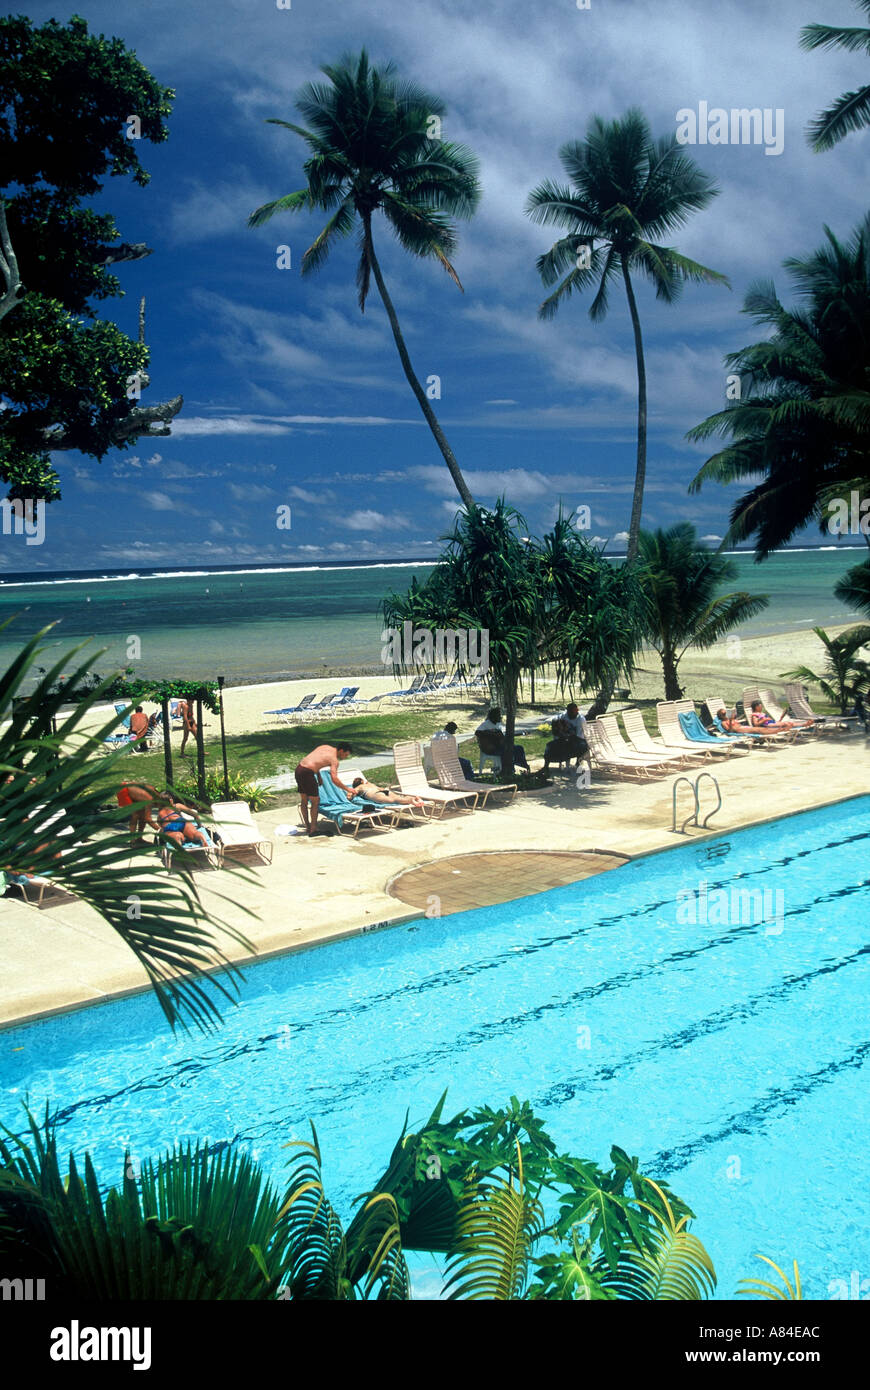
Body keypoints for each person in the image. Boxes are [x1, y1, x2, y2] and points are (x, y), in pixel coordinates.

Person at [294, 742, 353, 836]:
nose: (345, 757)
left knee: (304, 800)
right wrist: (348, 789)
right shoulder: (334, 760)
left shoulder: (324, 747)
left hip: (299, 769)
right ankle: (313, 829)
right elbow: (334, 779)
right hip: (308, 773)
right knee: (315, 801)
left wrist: (319, 776)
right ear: (341, 750)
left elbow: (315, 760)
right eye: (345, 755)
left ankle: (308, 826)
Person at [349, 776, 428, 808]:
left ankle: (411, 800)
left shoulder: (358, 787)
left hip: (375, 794)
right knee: (398, 797)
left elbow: (352, 792)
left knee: (395, 801)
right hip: (384, 791)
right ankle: (415, 798)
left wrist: (349, 797)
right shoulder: (370, 784)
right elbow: (381, 788)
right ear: (362, 781)